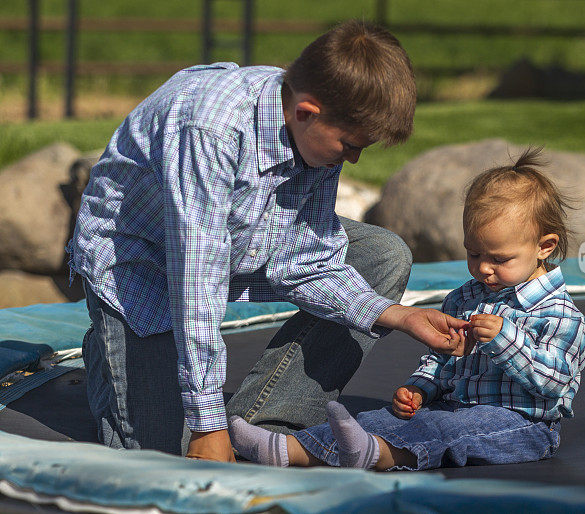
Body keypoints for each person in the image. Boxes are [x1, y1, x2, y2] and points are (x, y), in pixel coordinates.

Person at [69, 20, 470, 463]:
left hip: (246, 236)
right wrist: (205, 422)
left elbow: (308, 260)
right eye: (351, 145)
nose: (354, 158)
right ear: (306, 112)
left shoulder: (318, 132)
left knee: (382, 255)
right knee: (161, 456)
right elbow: (196, 280)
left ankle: (258, 423)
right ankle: (112, 355)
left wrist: (397, 315)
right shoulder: (210, 130)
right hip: (143, 267)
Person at [228, 147, 585, 470]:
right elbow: (440, 362)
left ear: (545, 246)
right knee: (379, 420)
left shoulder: (558, 313)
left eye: (499, 258)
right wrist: (419, 389)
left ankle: (375, 455)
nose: (483, 268)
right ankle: (285, 449)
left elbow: (554, 383)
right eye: (473, 253)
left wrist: (505, 339)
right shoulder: (465, 298)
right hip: (451, 407)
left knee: (441, 430)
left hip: (522, 424)